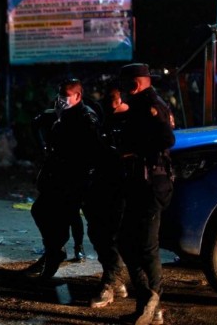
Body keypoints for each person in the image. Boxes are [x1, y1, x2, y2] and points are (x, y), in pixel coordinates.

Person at [117, 63, 175, 325]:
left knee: (146, 246)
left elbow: (166, 139)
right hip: (141, 183)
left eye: (126, 84)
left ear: (135, 83)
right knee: (128, 242)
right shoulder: (144, 103)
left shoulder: (150, 105)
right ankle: (149, 304)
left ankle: (150, 303)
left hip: (151, 183)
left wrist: (135, 151)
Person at [28, 79, 102, 278]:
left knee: (64, 217)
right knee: (41, 211)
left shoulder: (86, 117)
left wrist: (60, 121)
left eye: (66, 96)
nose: (61, 100)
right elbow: (41, 129)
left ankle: (55, 256)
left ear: (78, 96)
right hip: (57, 177)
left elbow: (85, 151)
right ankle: (52, 252)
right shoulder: (62, 114)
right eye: (59, 95)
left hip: (74, 180)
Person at [83, 83, 129, 308]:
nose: (111, 102)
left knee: (114, 234)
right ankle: (114, 277)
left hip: (124, 184)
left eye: (114, 97)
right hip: (101, 182)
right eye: (108, 97)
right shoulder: (101, 118)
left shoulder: (133, 117)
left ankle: (111, 282)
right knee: (97, 231)